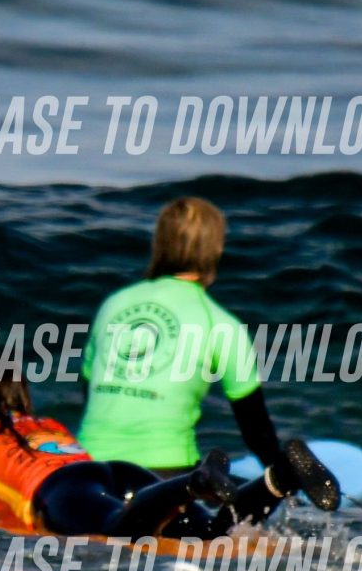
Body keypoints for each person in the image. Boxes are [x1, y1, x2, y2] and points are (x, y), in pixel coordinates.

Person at [78, 196, 339, 523]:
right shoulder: (219, 323)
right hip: (163, 472)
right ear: (214, 250)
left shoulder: (113, 305)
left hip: (87, 467)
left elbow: (89, 389)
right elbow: (255, 429)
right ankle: (281, 479)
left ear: (159, 244)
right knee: (224, 517)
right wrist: (286, 491)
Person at [0, 367, 234, 539]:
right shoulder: (45, 423)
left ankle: (194, 482)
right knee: (213, 531)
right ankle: (263, 487)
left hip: (61, 491)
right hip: (112, 473)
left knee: (119, 531)